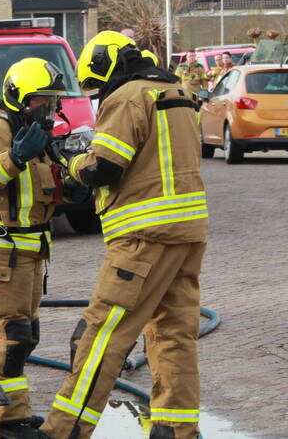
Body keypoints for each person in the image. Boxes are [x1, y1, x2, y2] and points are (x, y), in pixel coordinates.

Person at [40, 30, 209, 439]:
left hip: (143, 237)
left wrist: (73, 161)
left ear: (107, 66)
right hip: (187, 234)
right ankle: (175, 429)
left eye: (96, 85)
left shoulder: (128, 97)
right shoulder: (179, 93)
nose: (98, 95)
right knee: (173, 333)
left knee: (102, 333)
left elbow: (105, 168)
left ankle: (64, 430)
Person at [0, 57, 70, 439]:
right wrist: (16, 157)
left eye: (54, 102)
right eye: (43, 100)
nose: (50, 109)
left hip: (28, 254)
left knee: (24, 337)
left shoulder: (33, 135)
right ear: (20, 98)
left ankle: (14, 414)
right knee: (6, 338)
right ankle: (1, 421)